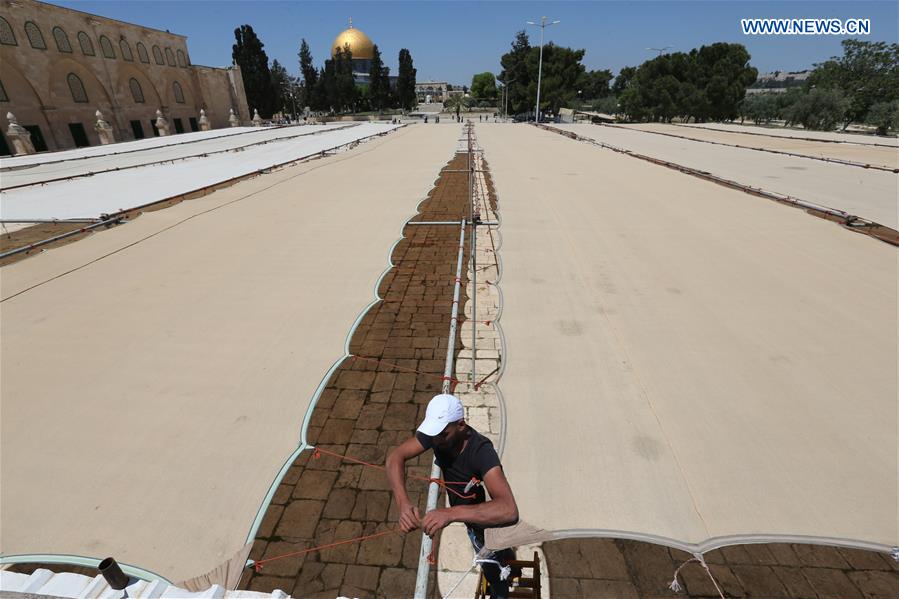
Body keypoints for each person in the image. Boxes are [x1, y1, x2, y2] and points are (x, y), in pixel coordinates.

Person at [386, 394, 519, 598]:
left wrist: (450, 513)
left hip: (485, 528)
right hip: (470, 518)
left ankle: (500, 590)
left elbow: (509, 510)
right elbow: (395, 457)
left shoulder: (481, 452)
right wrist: (403, 503)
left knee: (493, 570)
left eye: (442, 434)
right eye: (433, 435)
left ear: (461, 425)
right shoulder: (437, 436)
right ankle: (507, 557)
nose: (435, 441)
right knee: (500, 553)